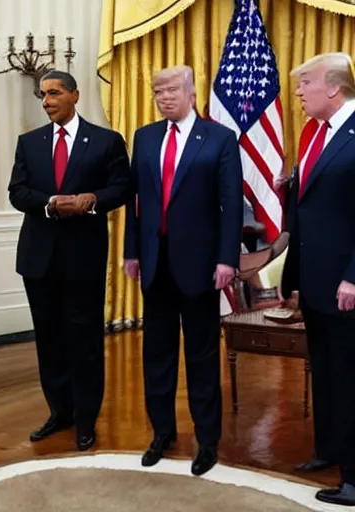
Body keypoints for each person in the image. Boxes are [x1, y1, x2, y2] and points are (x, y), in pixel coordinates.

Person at [124, 65, 243, 474]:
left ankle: (207, 440)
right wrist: (131, 252)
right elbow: (134, 202)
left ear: (191, 93)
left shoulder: (219, 138)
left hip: (201, 268)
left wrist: (227, 259)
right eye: (158, 91)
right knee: (156, 354)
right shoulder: (145, 137)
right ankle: (162, 432)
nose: (164, 98)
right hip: (154, 266)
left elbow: (231, 206)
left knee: (202, 356)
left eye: (172, 90)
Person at [8, 70, 132, 451]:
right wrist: (48, 204)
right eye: (43, 94)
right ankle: (59, 413)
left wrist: (92, 199)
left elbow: (122, 187)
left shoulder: (107, 141)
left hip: (84, 258)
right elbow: (17, 192)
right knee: (50, 341)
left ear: (75, 95)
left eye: (54, 93)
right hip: (38, 259)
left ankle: (85, 418)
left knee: (85, 341)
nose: (46, 101)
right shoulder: (29, 142)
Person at [281, 52, 355, 507]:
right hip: (315, 282)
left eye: (305, 84)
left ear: (332, 87)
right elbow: (313, 205)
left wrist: (353, 277)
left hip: (346, 285)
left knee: (349, 378)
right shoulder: (317, 135)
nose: (299, 93)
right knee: (326, 373)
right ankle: (328, 451)